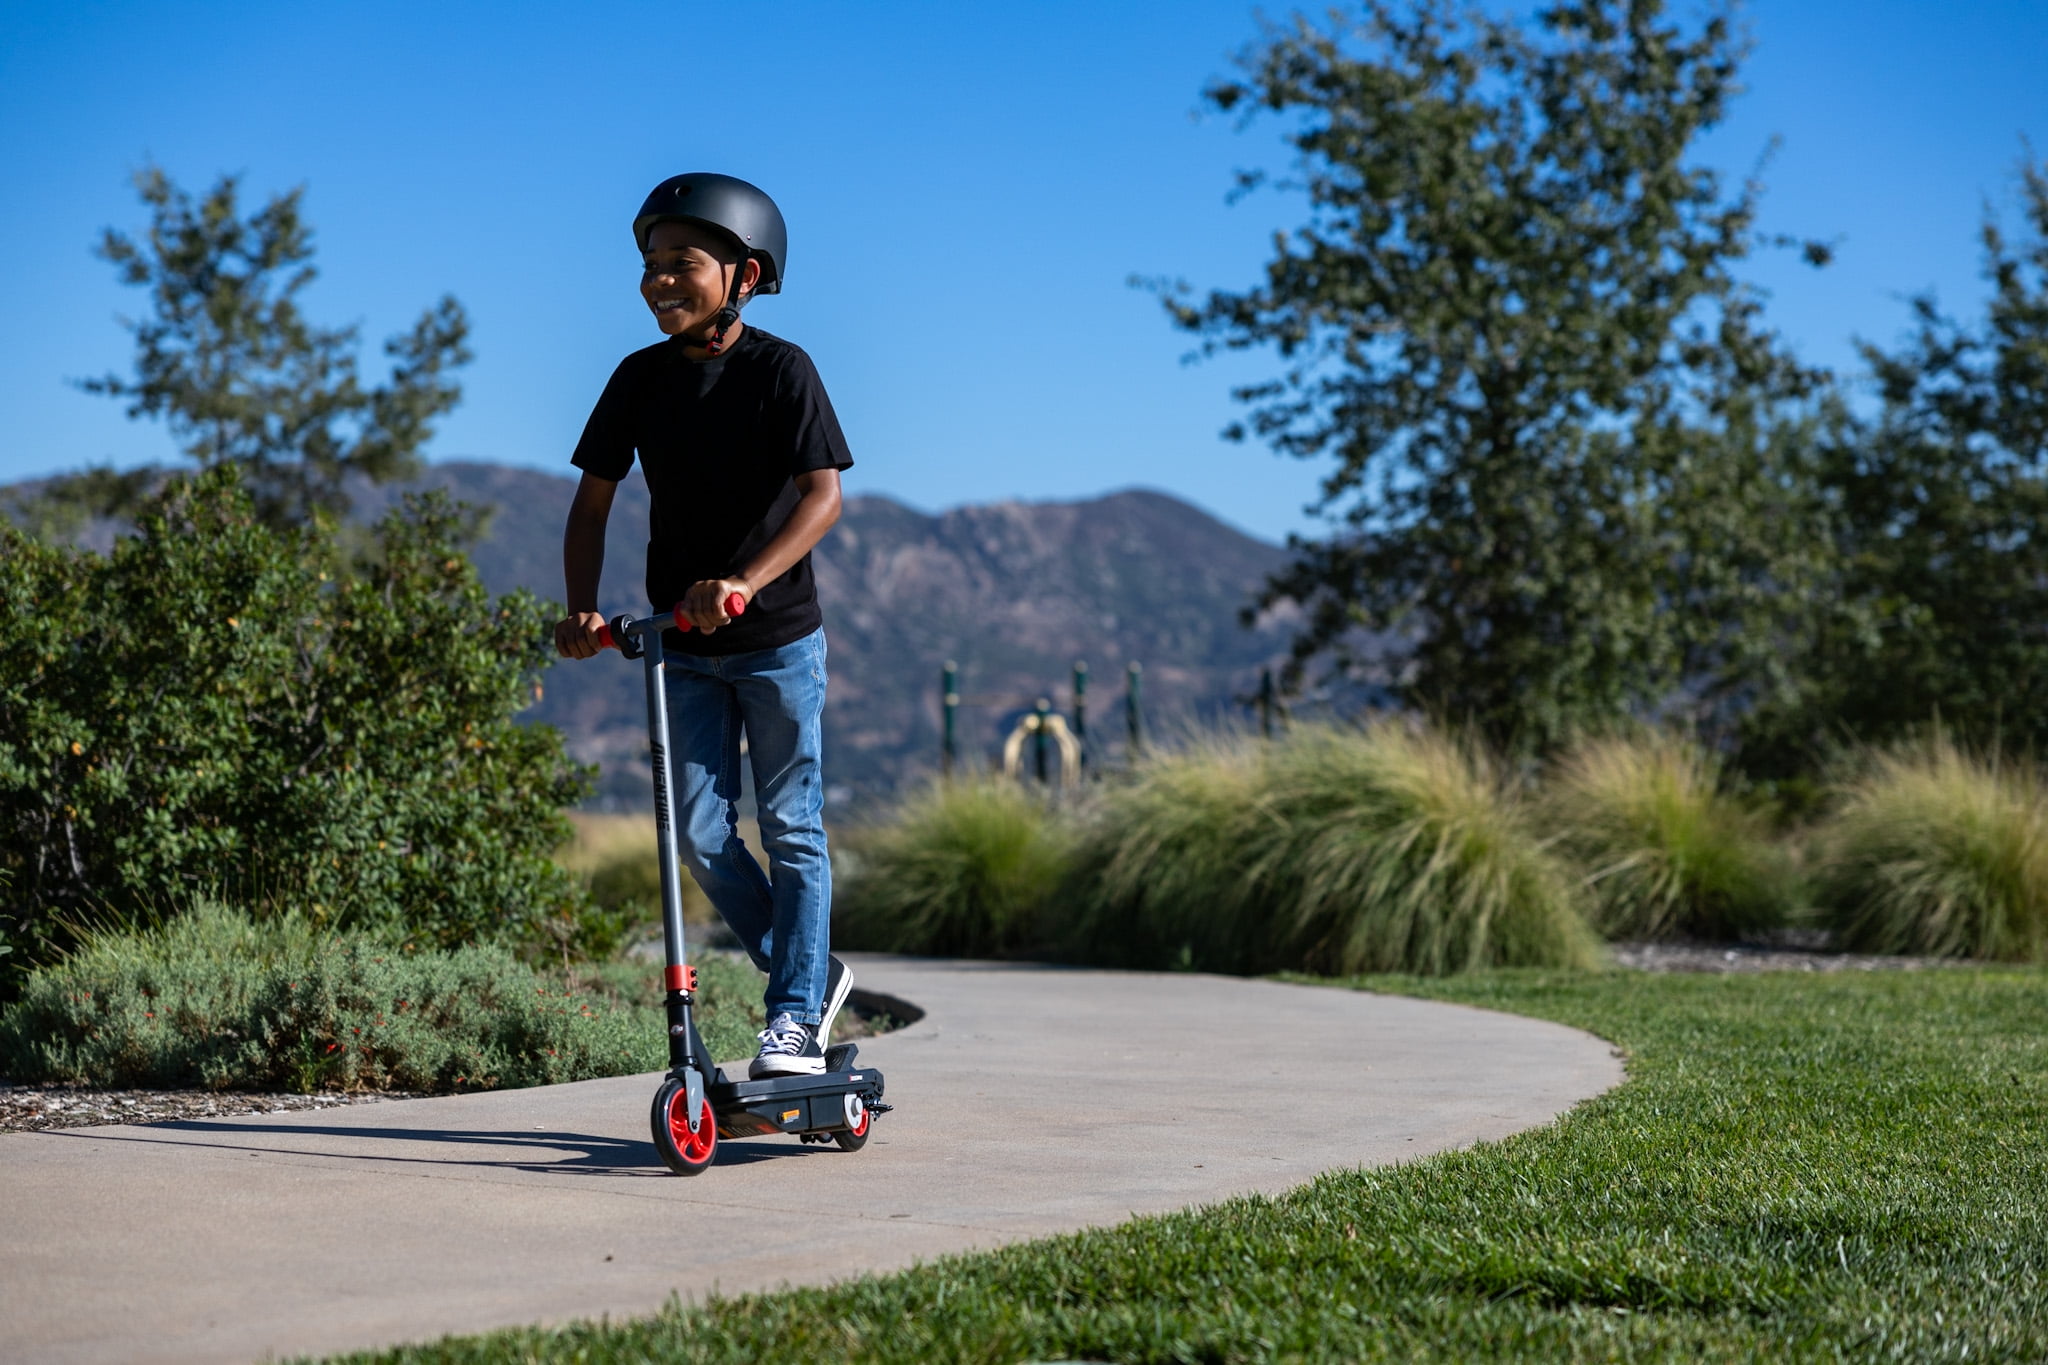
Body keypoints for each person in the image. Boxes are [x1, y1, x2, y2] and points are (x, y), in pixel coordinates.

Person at [553, 172, 854, 1078]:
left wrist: (744, 582)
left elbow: (823, 497)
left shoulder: (783, 370)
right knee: (697, 833)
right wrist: (581, 606)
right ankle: (810, 974)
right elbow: (591, 505)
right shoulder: (638, 380)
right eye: (651, 264)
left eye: (681, 263)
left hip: (777, 643)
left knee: (791, 826)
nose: (658, 281)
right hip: (680, 648)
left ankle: (793, 1015)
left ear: (744, 276)